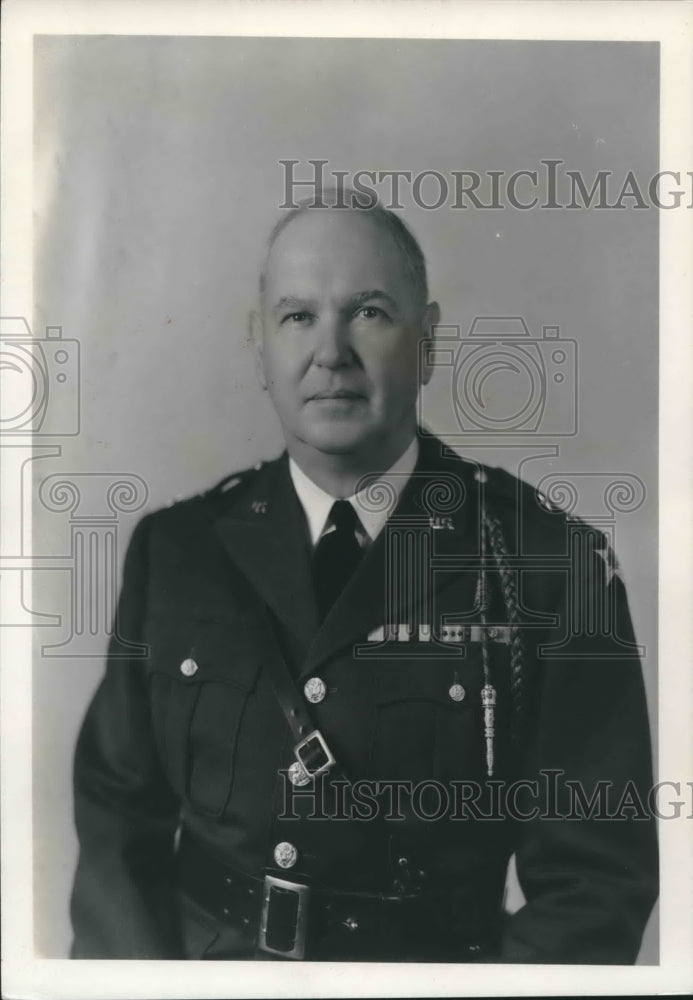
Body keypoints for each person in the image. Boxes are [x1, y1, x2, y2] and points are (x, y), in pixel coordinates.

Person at [70, 196, 658, 963]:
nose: (330, 352)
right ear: (260, 348)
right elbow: (117, 819)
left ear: (428, 342)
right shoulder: (177, 553)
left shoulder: (547, 567)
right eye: (297, 317)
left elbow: (594, 884)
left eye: (369, 312)